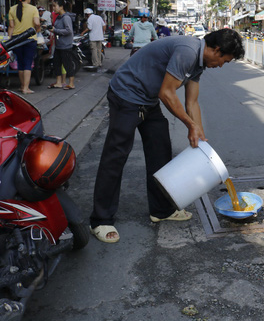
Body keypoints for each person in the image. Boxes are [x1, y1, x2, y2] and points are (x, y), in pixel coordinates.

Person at [89, 28, 245, 243]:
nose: (220, 66)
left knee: (160, 152)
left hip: (148, 100)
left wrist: (200, 138)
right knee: (115, 156)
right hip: (127, 94)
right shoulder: (188, 51)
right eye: (223, 61)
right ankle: (100, 219)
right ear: (216, 50)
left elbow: (192, 102)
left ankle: (161, 210)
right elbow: (167, 93)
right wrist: (190, 125)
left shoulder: (199, 63)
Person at [7, 0, 40, 94]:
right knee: (28, 64)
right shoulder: (33, 9)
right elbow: (37, 23)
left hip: (16, 40)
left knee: (20, 64)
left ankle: (22, 86)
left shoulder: (12, 9)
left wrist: (9, 40)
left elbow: (11, 27)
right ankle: (26, 88)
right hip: (29, 40)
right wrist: (37, 30)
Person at [48, 0, 76, 90]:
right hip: (58, 45)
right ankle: (59, 82)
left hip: (65, 46)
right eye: (53, 6)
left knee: (68, 65)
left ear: (61, 7)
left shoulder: (66, 17)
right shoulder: (59, 17)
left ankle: (71, 83)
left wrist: (55, 30)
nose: (53, 8)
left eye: (55, 6)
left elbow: (69, 31)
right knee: (56, 64)